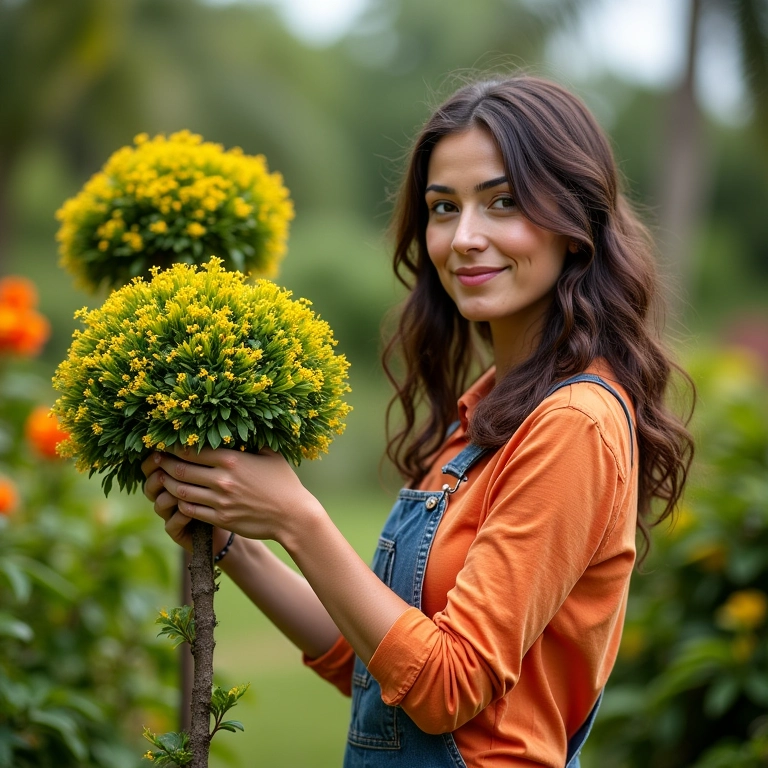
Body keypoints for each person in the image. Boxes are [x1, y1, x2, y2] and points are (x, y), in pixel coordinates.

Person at [142, 74, 694, 767]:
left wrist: (297, 518)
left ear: (575, 223)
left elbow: (445, 685)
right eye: (443, 207)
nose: (464, 237)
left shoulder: (573, 423)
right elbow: (378, 671)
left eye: (503, 202)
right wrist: (234, 543)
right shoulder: (489, 416)